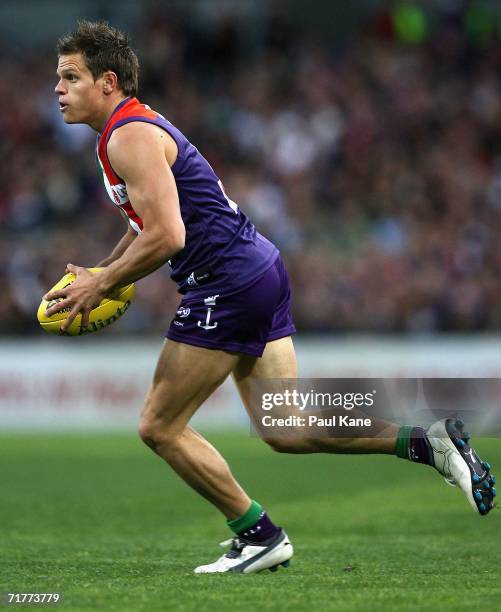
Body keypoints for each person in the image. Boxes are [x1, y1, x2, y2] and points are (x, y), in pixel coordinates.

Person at [45, 21, 496, 574]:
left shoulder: (128, 136)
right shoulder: (120, 133)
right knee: (287, 425)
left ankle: (258, 535)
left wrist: (103, 283)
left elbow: (169, 236)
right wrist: (104, 270)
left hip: (227, 280)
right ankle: (427, 442)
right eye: (58, 78)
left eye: (71, 77)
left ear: (108, 81)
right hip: (256, 267)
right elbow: (151, 223)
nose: (59, 89)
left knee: (159, 426)